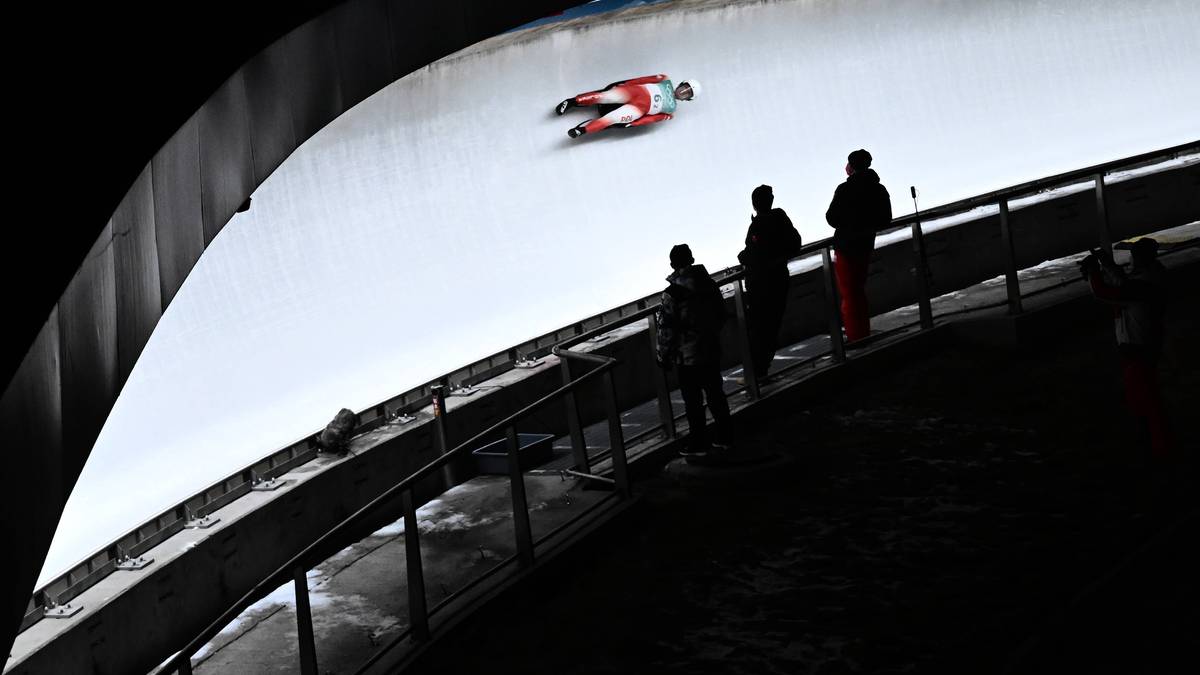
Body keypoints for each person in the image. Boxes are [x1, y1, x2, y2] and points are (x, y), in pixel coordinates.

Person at [1079, 239, 1175, 458]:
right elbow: (1124, 284)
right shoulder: (1152, 279)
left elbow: (1105, 292)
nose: (1131, 261)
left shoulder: (1142, 285)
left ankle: (1158, 447)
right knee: (1146, 397)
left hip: (1137, 348)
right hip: (1145, 345)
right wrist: (1106, 265)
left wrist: (1094, 273)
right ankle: (1155, 444)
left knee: (1146, 401)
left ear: (1140, 259)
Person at [655, 244, 732, 458]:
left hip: (687, 356)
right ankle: (726, 437)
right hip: (710, 348)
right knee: (716, 394)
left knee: (693, 402)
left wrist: (663, 356)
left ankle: (699, 442)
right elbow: (722, 314)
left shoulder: (672, 294)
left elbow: (666, 329)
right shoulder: (708, 283)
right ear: (692, 258)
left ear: (672, 265)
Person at [825, 149, 891, 343]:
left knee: (850, 293)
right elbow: (885, 218)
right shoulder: (878, 189)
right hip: (866, 244)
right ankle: (862, 331)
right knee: (858, 290)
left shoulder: (845, 189)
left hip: (846, 247)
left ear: (851, 167)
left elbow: (831, 217)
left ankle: (857, 336)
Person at [737, 184, 802, 379]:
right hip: (779, 279)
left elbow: (753, 255)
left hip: (760, 284)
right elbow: (794, 243)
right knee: (771, 326)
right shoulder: (780, 218)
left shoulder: (757, 225)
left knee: (759, 329)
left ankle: (758, 372)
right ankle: (761, 369)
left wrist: (743, 256)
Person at [557, 74, 700, 138]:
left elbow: (651, 120)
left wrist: (633, 123)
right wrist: (625, 84)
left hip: (637, 110)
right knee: (605, 97)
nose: (683, 92)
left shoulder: (670, 112)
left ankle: (582, 130)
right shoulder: (664, 79)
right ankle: (571, 102)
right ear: (681, 84)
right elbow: (643, 79)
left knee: (612, 118)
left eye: (687, 93)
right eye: (685, 88)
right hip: (634, 92)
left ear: (687, 99)